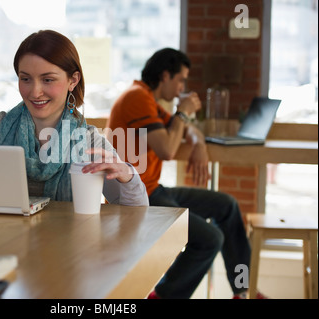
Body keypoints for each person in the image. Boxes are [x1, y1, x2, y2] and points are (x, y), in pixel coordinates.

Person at [106, 48, 267, 299]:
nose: (182, 87)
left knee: (227, 205)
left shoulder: (148, 99)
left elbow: (188, 130)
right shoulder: (136, 97)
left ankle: (243, 290)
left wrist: (199, 144)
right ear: (165, 75)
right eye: (181, 79)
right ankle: (162, 296)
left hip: (153, 188)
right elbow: (168, 150)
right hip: (136, 197)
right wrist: (182, 113)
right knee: (210, 238)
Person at [0, 30, 148, 207]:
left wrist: (128, 174)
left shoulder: (90, 143)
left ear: (73, 81)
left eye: (48, 80)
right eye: (25, 79)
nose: (35, 92)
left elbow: (137, 211)